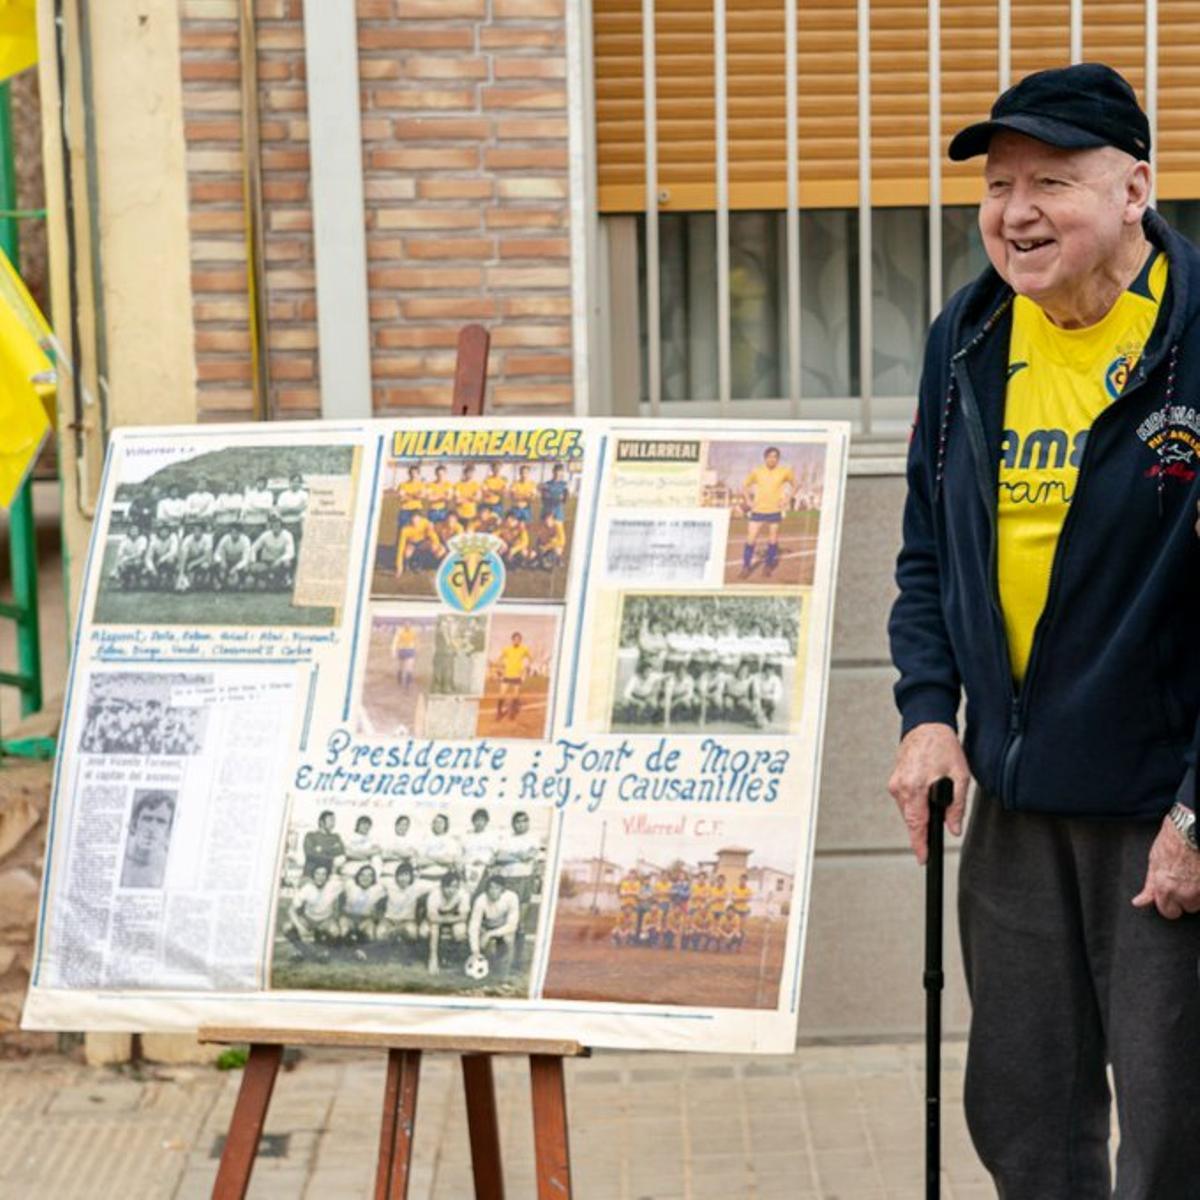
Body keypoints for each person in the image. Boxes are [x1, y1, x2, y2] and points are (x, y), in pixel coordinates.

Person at [887, 64, 1200, 1195]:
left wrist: (1198, 813)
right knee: (1024, 1118)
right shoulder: (969, 340)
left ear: (1133, 191)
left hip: (1159, 809)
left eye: (1051, 181)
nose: (1014, 212)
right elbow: (926, 548)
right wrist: (928, 715)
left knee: (1174, 1135)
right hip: (1015, 806)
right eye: (998, 183)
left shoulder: (1195, 342)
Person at [740, 447, 795, 577]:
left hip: (775, 510)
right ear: (765, 458)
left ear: (778, 459)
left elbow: (795, 485)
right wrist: (748, 500)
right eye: (770, 456)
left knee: (773, 540)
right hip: (758, 510)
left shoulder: (784, 471)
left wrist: (787, 499)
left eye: (775, 456)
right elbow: (744, 485)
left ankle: (768, 566)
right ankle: (746, 567)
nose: (772, 459)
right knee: (750, 539)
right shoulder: (757, 471)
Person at [467, 875, 521, 974]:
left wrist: (490, 934)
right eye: (491, 888)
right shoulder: (481, 900)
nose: (493, 891)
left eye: (497, 888)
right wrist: (475, 950)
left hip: (504, 928)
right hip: (487, 926)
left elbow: (512, 925)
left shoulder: (512, 897)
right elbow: (474, 926)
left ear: (503, 890)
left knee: (509, 939)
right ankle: (486, 967)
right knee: (485, 948)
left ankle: (505, 972)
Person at [121, 791, 175, 888]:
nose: (152, 828)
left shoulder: (169, 867)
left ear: (169, 829)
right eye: (147, 819)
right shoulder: (121, 859)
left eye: (161, 822)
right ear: (135, 822)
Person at [423, 870, 471, 975]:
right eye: (448, 887)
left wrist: (446, 919)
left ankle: (453, 958)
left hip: (453, 918)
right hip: (438, 919)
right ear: (442, 886)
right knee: (426, 930)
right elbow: (432, 918)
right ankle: (433, 958)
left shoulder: (463, 894)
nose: (451, 890)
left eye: (454, 887)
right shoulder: (434, 894)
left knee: (460, 932)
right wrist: (444, 919)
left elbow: (464, 917)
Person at [249, 513, 296, 589]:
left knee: (288, 563)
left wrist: (279, 560)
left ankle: (286, 580)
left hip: (280, 563)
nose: (275, 527)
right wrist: (253, 561)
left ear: (281, 526)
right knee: (254, 568)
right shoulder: (265, 535)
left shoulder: (287, 535)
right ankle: (267, 580)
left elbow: (291, 553)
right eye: (273, 525)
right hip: (267, 562)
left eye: (277, 525)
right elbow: (253, 548)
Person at [494, 631, 531, 720]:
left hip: (517, 676)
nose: (517, 641)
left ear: (520, 640)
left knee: (515, 695)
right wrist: (499, 670)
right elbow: (499, 659)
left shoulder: (524, 649)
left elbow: (529, 660)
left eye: (518, 639)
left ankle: (512, 713)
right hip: (507, 675)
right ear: (512, 640)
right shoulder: (507, 649)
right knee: (502, 694)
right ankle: (499, 713)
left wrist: (525, 671)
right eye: (515, 639)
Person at [303, 810, 346, 878]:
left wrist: (321, 849)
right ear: (321, 822)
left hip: (330, 875)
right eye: (331, 820)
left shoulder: (336, 837)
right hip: (311, 875)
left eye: (334, 820)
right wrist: (332, 858)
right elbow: (310, 855)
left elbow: (342, 852)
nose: (333, 823)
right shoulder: (311, 836)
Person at [391, 622, 418, 690]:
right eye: (406, 623)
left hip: (410, 651)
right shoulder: (399, 632)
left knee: (409, 667)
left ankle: (407, 684)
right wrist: (394, 651)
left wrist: (416, 649)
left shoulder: (413, 632)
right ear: (403, 625)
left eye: (409, 624)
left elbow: (416, 641)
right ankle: (399, 678)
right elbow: (395, 642)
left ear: (411, 625)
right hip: (402, 650)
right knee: (401, 667)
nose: (407, 625)